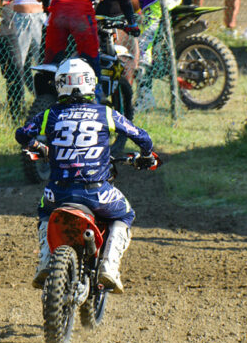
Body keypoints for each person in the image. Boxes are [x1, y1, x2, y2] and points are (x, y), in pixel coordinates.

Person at [15, 58, 157, 292]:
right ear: (90, 83)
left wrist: (39, 147)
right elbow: (142, 137)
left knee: (44, 211)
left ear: (60, 85)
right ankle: (109, 267)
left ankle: (45, 261)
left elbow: (22, 134)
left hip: (57, 193)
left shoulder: (50, 114)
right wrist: (147, 154)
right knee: (125, 213)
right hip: (96, 192)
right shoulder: (106, 113)